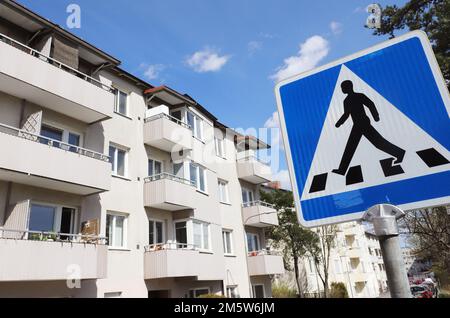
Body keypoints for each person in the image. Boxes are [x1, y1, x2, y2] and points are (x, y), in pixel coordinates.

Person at [332, 80, 406, 176]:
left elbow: (370, 104)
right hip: (357, 125)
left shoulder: (359, 96)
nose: (342, 89)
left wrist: (375, 116)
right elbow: (347, 114)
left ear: (349, 87)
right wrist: (339, 123)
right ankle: (342, 170)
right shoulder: (346, 101)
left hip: (363, 123)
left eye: (343, 87)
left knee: (377, 143)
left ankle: (399, 153)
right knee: (352, 146)